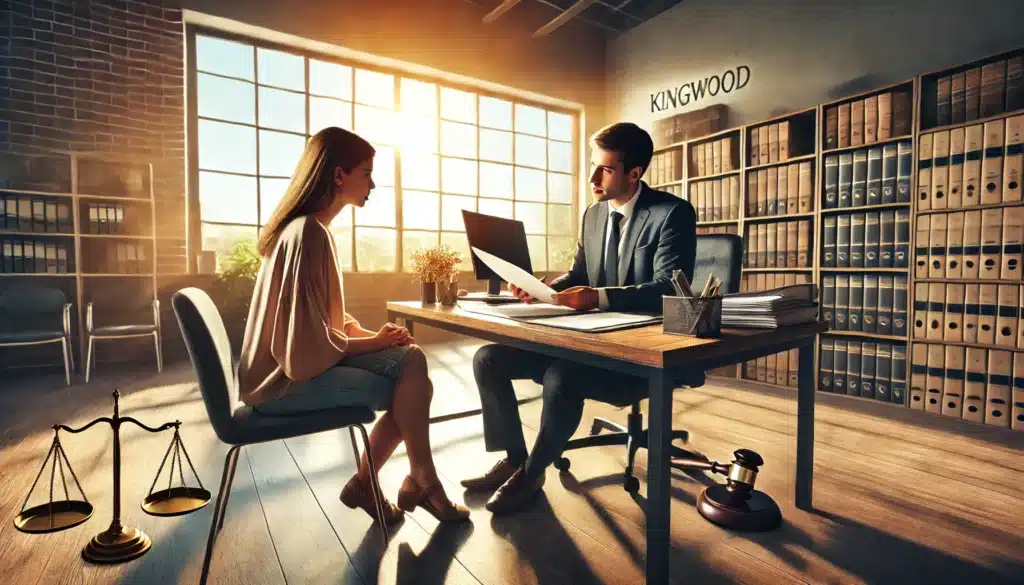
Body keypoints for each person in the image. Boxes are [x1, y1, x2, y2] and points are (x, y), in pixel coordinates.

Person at [461, 122, 697, 514]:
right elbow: (580, 274)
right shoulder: (593, 215)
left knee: (561, 377)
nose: (592, 178)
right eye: (592, 166)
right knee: (488, 359)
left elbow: (668, 289)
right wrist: (545, 289)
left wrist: (598, 297)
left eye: (604, 169)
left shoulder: (671, 214)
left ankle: (532, 474)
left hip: (636, 354)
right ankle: (515, 459)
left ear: (634, 173)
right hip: (586, 339)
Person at [237, 127, 470, 525]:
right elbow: (305, 345)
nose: (373, 184)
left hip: (289, 371)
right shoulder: (308, 233)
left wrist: (373, 338)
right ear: (339, 175)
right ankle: (415, 481)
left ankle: (395, 480)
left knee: (411, 366)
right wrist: (374, 343)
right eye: (366, 173)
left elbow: (324, 321)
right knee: (412, 388)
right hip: (280, 386)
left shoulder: (310, 230)